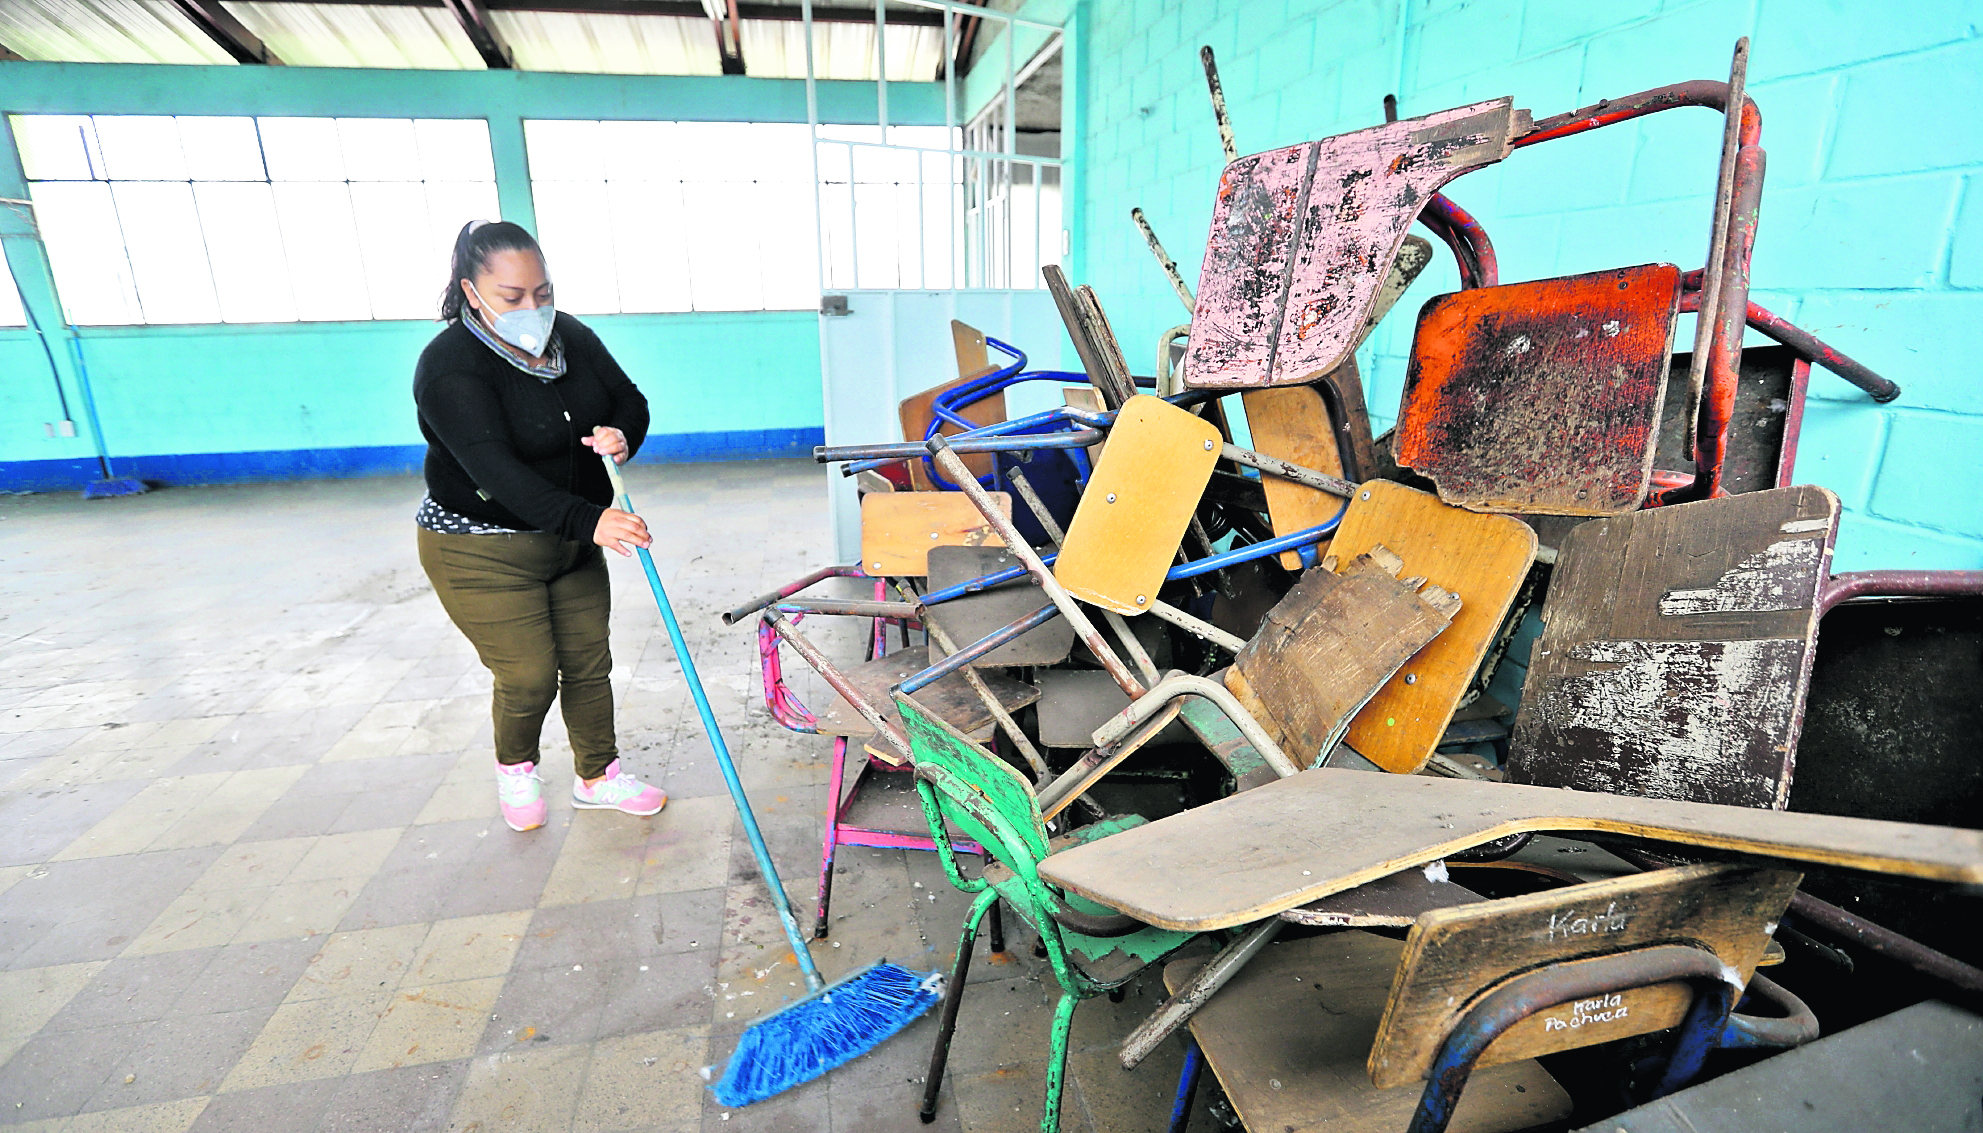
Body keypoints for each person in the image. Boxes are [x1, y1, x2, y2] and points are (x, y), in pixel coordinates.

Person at [413, 219, 666, 832]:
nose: (533, 308)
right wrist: (591, 519)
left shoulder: (569, 336)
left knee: (588, 664)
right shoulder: (448, 368)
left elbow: (628, 398)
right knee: (528, 676)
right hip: (480, 550)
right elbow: (497, 472)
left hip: (569, 540)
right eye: (512, 296)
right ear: (471, 291)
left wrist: (622, 434)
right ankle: (516, 767)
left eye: (543, 292)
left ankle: (598, 777)